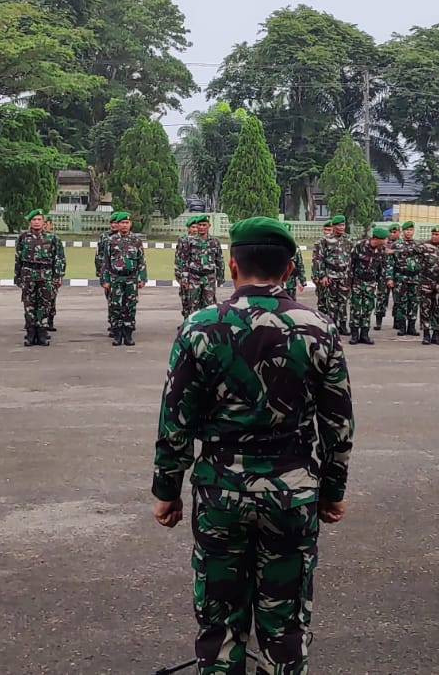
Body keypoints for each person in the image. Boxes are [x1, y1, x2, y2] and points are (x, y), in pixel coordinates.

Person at [151, 216, 353, 675]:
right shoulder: (318, 327)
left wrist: (167, 488)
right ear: (288, 270)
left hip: (221, 493)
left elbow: (175, 418)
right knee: (285, 621)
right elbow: (338, 422)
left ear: (231, 265)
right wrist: (333, 489)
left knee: (220, 619)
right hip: (292, 493)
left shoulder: (201, 327)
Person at [15, 209, 65, 347]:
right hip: (28, 274)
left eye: (39, 219)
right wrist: (17, 276)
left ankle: (42, 333)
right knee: (29, 305)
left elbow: (59, 258)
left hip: (46, 275)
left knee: (44, 305)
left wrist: (58, 276)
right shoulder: (23, 238)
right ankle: (31, 334)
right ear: (30, 222)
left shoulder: (53, 238)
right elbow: (18, 258)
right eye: (34, 220)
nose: (36, 222)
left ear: (44, 222)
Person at [97, 211, 147, 346]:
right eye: (122, 223)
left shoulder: (136, 241)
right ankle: (117, 334)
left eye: (127, 223)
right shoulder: (111, 241)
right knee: (116, 306)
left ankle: (128, 334)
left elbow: (141, 261)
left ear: (130, 224)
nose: (124, 225)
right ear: (117, 225)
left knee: (130, 306)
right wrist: (105, 280)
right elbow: (105, 262)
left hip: (131, 278)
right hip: (116, 278)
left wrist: (142, 278)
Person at [311, 216, 353, 336]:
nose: (341, 228)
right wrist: (322, 275)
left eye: (343, 225)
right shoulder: (324, 241)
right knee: (332, 301)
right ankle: (332, 324)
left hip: (344, 275)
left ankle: (343, 325)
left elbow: (353, 258)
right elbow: (319, 259)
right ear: (333, 226)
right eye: (339, 225)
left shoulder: (349, 240)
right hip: (330, 275)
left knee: (343, 301)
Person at [177, 215, 223, 319]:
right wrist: (184, 277)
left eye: (204, 225)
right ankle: (192, 328)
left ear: (209, 226)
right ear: (196, 226)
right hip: (194, 278)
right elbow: (184, 260)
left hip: (209, 278)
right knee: (193, 305)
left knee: (209, 305)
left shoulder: (214, 241)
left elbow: (219, 259)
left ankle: (208, 328)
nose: (201, 227)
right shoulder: (189, 241)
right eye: (199, 225)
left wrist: (220, 277)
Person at [417, 225, 439, 346]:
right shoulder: (424, 246)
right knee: (425, 308)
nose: (434, 236)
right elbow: (411, 254)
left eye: (437, 234)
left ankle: (436, 334)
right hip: (426, 282)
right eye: (433, 234)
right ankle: (426, 334)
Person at [385, 221, 421, 337]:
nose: (409, 232)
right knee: (401, 303)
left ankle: (412, 326)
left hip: (414, 278)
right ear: (403, 231)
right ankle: (402, 327)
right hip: (401, 278)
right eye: (406, 230)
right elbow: (390, 263)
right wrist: (390, 278)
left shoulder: (418, 245)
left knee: (413, 303)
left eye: (411, 230)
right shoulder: (396, 245)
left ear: (413, 231)